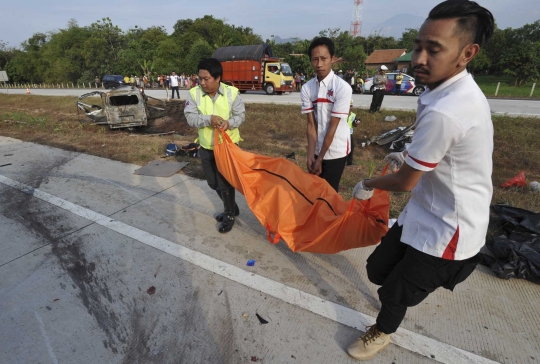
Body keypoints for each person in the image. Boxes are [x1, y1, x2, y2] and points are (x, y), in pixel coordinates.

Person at [347, 0, 495, 360]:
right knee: (377, 269)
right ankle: (400, 293)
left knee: (395, 293)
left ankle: (382, 331)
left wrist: (368, 184)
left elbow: (405, 183)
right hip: (424, 210)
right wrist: (410, 154)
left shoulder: (449, 109)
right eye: (417, 46)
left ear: (467, 53)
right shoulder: (440, 89)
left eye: (434, 49)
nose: (419, 59)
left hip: (450, 228)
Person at [184, 58, 245, 233]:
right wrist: (208, 119)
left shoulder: (232, 93)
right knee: (213, 183)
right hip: (206, 147)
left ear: (218, 78)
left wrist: (230, 123)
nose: (202, 82)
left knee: (225, 183)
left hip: (227, 147)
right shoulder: (194, 94)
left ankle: (230, 214)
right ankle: (232, 206)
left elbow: (240, 115)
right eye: (200, 78)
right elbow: (190, 118)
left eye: (206, 79)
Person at [301, 37, 353, 192]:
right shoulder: (307, 88)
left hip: (336, 150)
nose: (319, 64)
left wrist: (321, 159)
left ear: (333, 59)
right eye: (315, 59)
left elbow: (333, 126)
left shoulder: (342, 88)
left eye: (324, 58)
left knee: (330, 193)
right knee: (315, 192)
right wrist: (311, 155)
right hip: (317, 149)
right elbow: (311, 125)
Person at [346, 100, 359, 166]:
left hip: (349, 134)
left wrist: (356, 123)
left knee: (351, 147)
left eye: (352, 106)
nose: (351, 108)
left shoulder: (353, 115)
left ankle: (349, 162)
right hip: (342, 134)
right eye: (350, 106)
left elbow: (354, 124)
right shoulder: (342, 114)